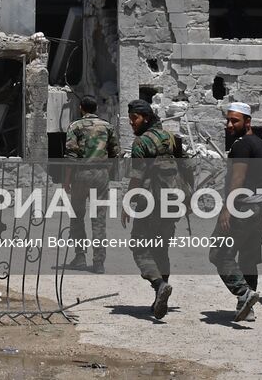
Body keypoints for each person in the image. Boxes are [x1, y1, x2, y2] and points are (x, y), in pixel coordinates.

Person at [209, 102, 262, 322]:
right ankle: (248, 309)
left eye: (235, 120)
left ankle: (244, 294)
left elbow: (238, 178)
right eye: (228, 120)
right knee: (248, 258)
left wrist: (227, 208)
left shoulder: (241, 145)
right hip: (261, 207)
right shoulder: (260, 144)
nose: (229, 124)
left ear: (248, 122)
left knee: (219, 254)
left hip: (243, 207)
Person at [127, 99, 183, 320]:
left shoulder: (141, 142)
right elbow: (185, 168)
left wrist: (127, 203)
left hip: (149, 203)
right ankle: (162, 293)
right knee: (161, 249)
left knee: (139, 246)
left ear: (146, 118)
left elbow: (137, 176)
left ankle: (159, 285)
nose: (132, 123)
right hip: (172, 202)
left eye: (135, 119)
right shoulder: (171, 138)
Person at [63, 95, 119, 272]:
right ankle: (99, 262)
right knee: (99, 219)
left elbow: (71, 155)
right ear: (96, 109)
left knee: (77, 215)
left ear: (81, 108)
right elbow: (115, 152)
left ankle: (80, 257)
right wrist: (106, 171)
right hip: (101, 174)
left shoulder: (75, 126)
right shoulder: (108, 126)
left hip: (81, 174)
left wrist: (66, 180)